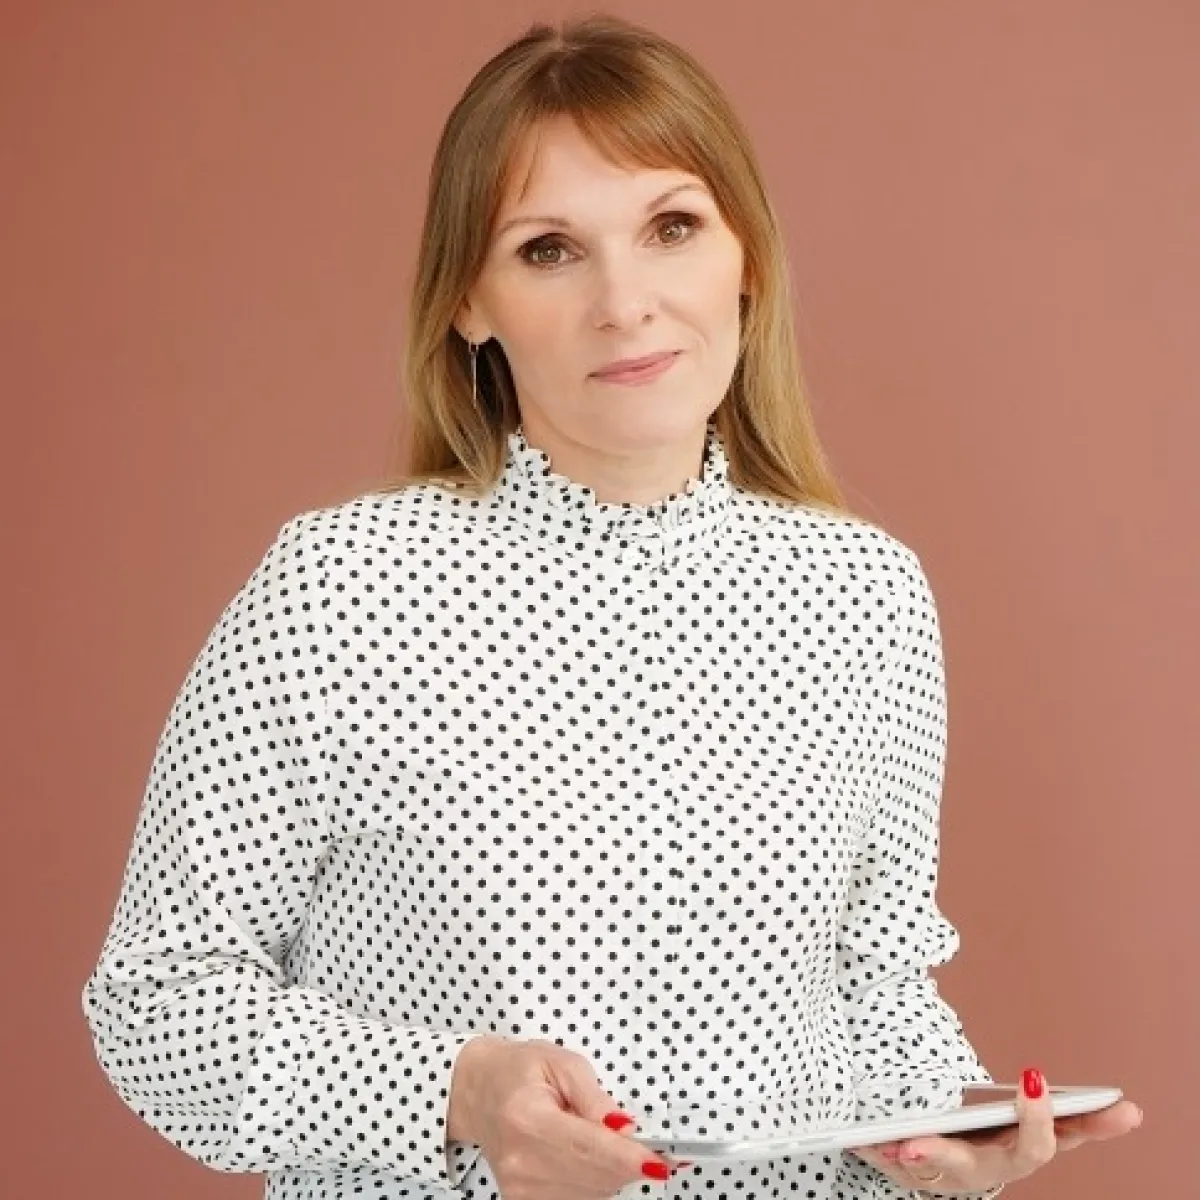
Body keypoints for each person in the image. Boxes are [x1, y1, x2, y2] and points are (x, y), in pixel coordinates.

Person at [80, 13, 1141, 1200]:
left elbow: (877, 984)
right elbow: (157, 1003)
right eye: (549, 250)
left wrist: (941, 1143)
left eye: (671, 227)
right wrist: (457, 1094)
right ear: (468, 303)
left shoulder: (867, 595)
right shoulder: (341, 590)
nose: (625, 302)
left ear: (747, 259)